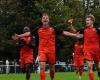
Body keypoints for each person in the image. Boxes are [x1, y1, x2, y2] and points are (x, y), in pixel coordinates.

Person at [13, 12, 80, 80]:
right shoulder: (38, 29)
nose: (45, 19)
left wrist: (74, 35)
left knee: (52, 69)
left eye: (46, 18)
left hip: (51, 51)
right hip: (42, 50)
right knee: (42, 68)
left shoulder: (53, 28)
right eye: (43, 18)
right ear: (41, 20)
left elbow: (64, 32)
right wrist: (19, 36)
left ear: (49, 20)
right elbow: (28, 33)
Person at [70, 14, 100, 80]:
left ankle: (98, 71)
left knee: (98, 66)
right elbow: (75, 32)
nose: (86, 22)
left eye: (88, 20)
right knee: (89, 66)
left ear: (92, 21)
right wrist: (70, 25)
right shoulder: (84, 29)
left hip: (96, 50)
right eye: (86, 20)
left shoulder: (97, 29)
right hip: (87, 50)